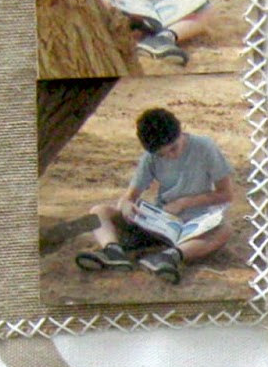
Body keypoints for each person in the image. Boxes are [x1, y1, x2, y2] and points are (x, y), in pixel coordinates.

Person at [75, 107, 236, 285]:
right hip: (159, 222)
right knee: (99, 212)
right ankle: (113, 252)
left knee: (224, 230)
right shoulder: (150, 157)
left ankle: (167, 257)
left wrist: (185, 203)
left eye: (173, 148)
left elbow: (226, 194)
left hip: (193, 226)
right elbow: (129, 197)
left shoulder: (204, 147)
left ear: (181, 132)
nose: (170, 156)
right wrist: (126, 205)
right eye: (162, 154)